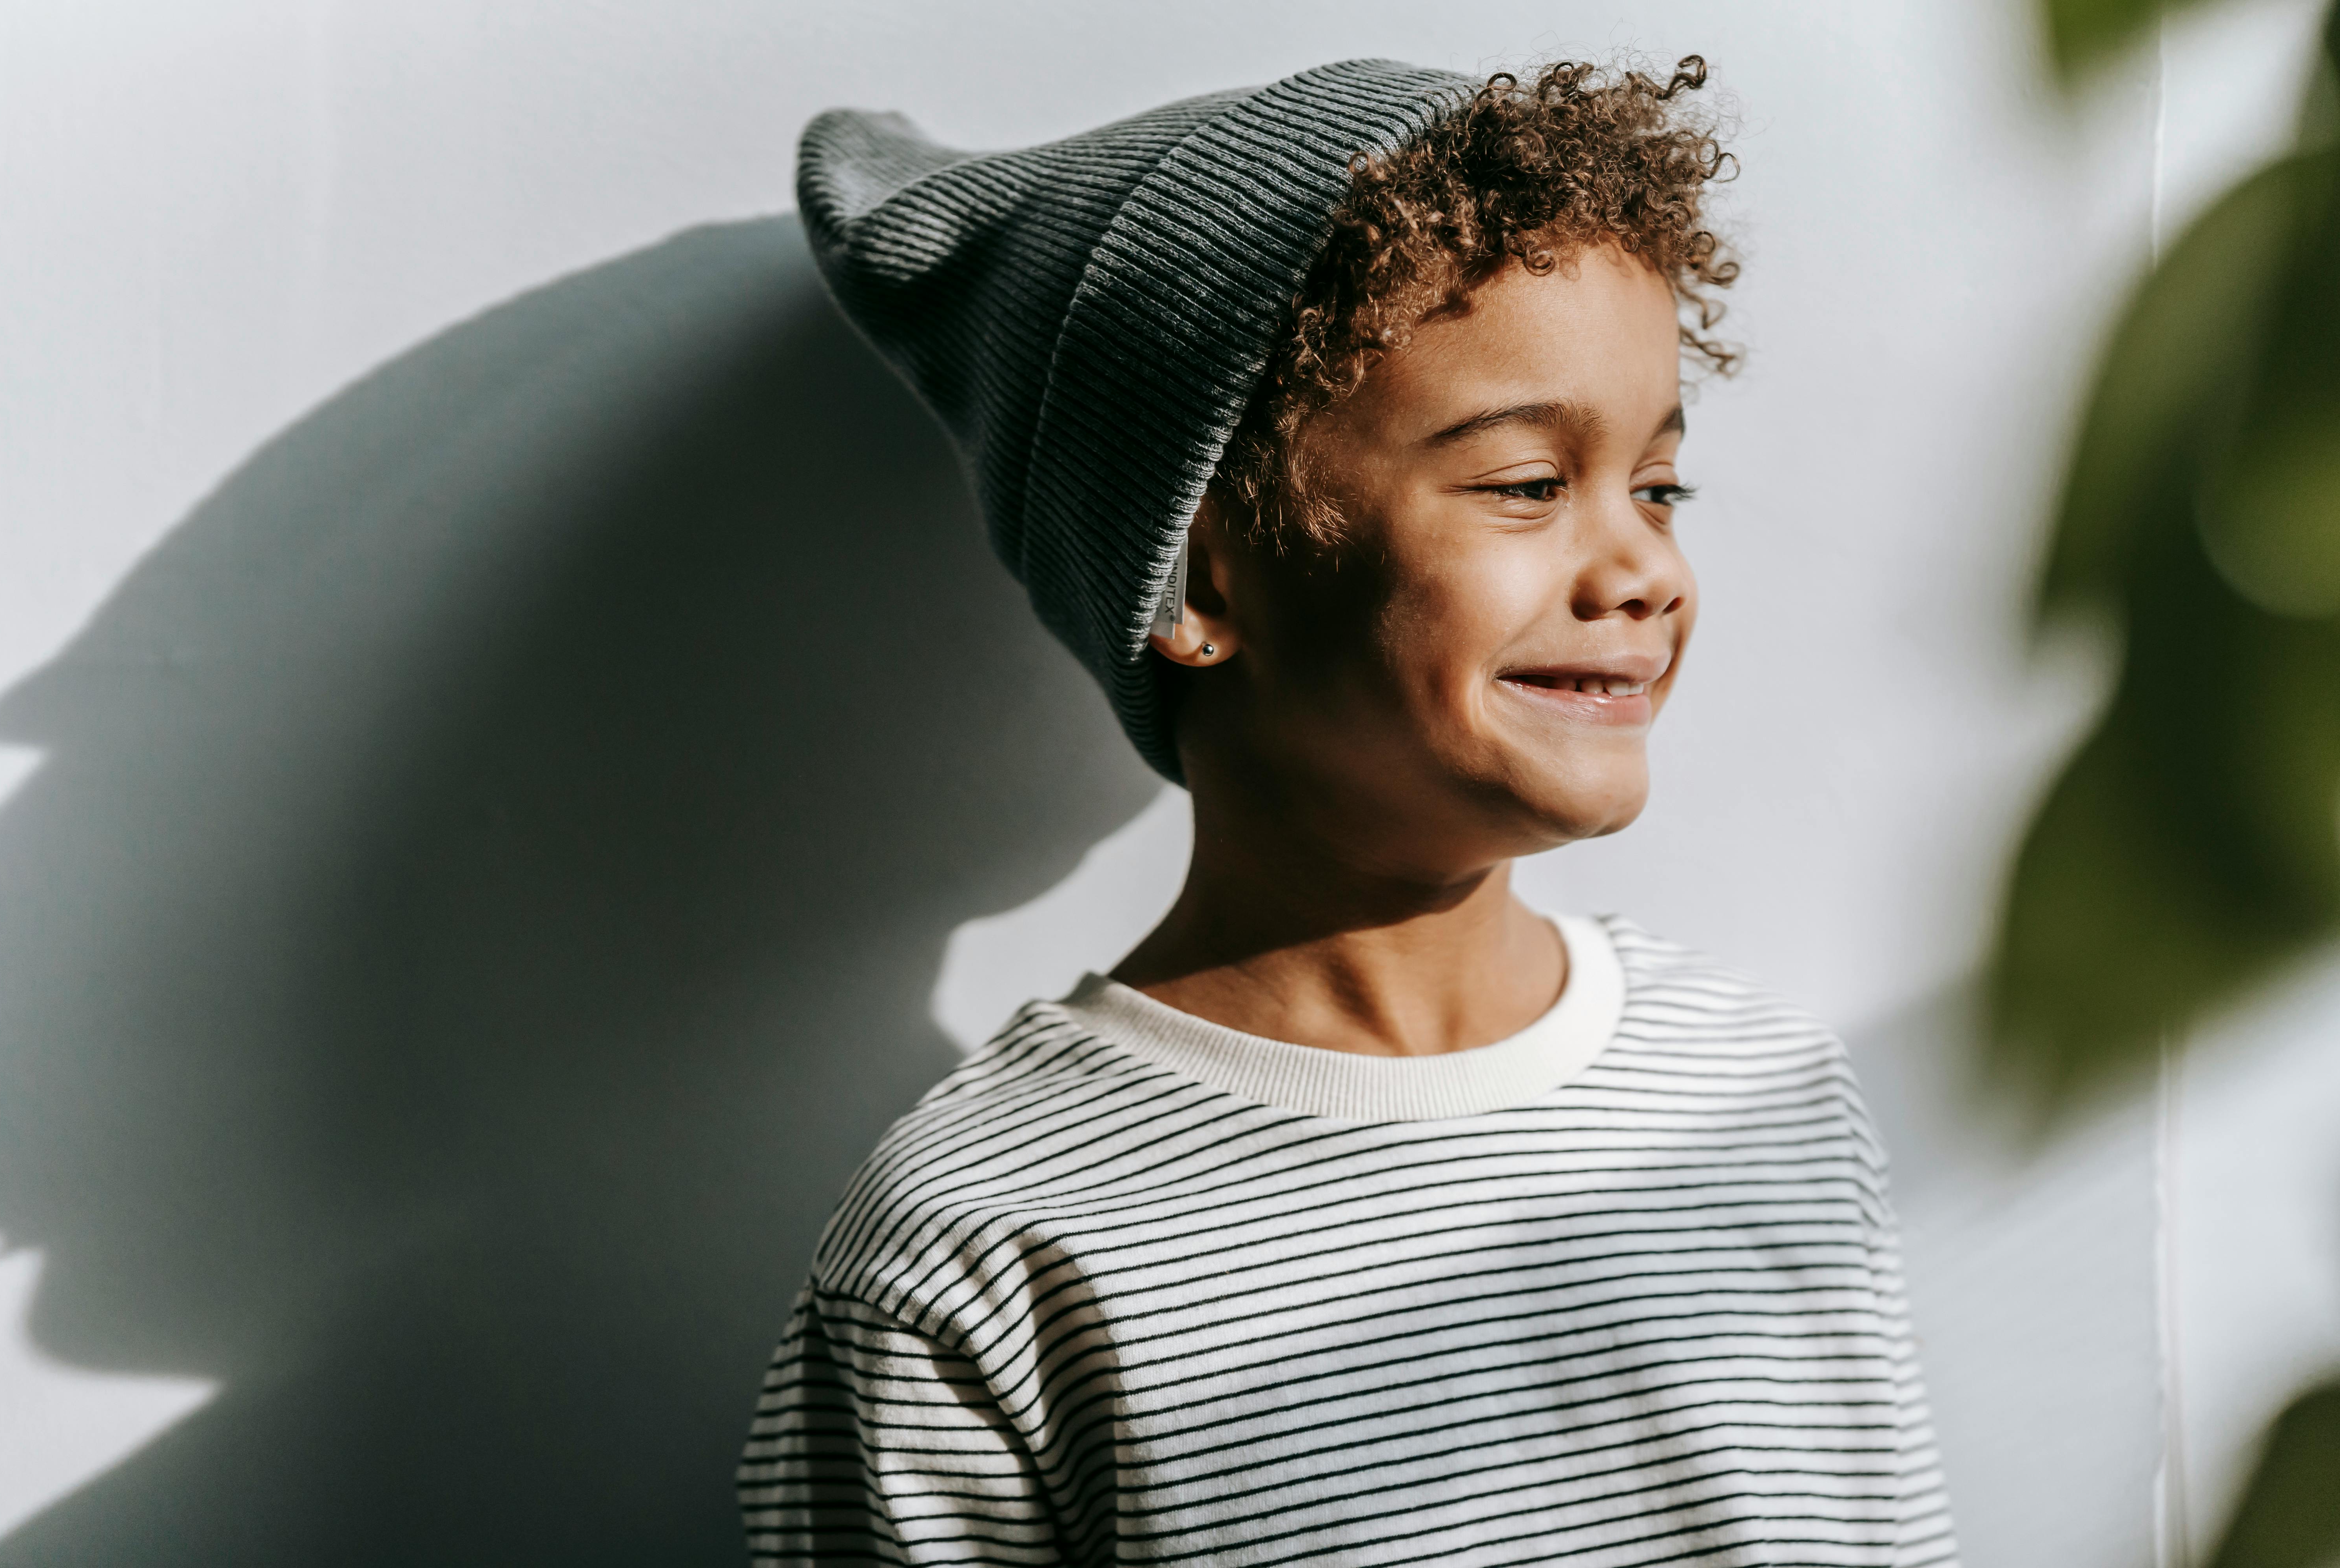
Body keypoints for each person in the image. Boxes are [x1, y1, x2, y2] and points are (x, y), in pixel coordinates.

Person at [739, 55, 1958, 1567]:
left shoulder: (1760, 1093)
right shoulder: (983, 1246)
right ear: (1201, 578)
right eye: (1525, 483)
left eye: (1658, 486)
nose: (1642, 569)